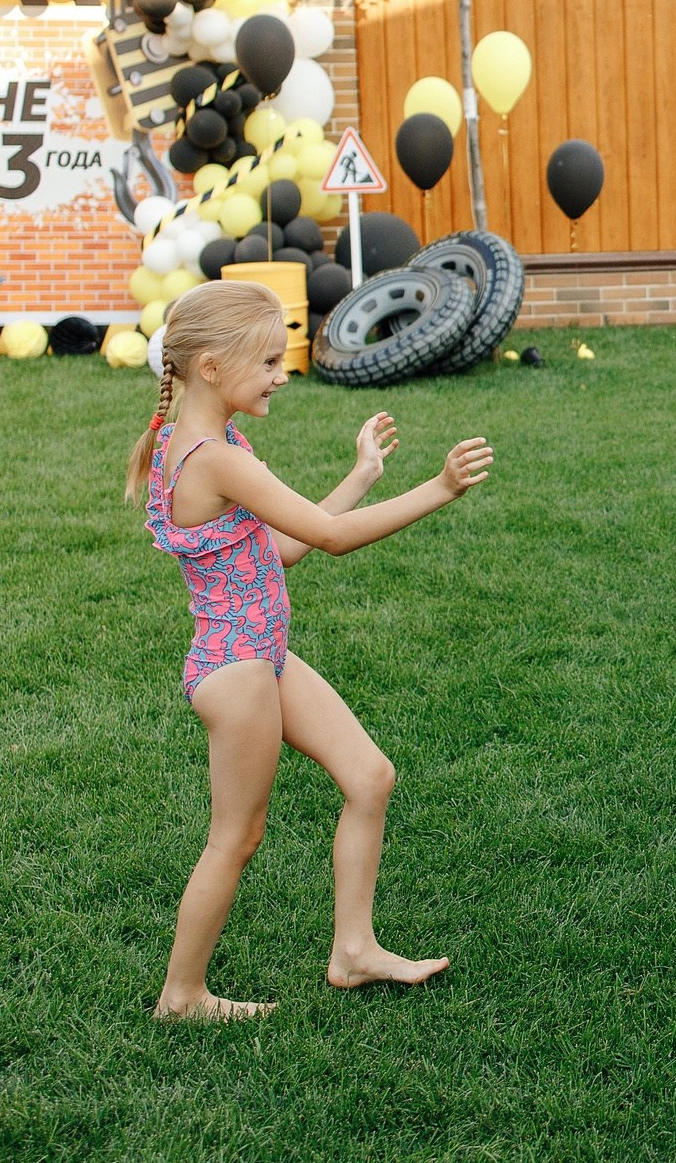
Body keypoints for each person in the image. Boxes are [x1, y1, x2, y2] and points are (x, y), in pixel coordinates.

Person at [125, 281, 494, 1020]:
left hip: (261, 654)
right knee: (236, 838)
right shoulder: (214, 457)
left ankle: (354, 950)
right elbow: (329, 539)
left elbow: (285, 547)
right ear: (210, 367)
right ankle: (182, 995)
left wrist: (360, 476)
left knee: (370, 777)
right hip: (237, 670)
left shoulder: (207, 441)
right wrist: (439, 488)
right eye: (267, 361)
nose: (281, 375)